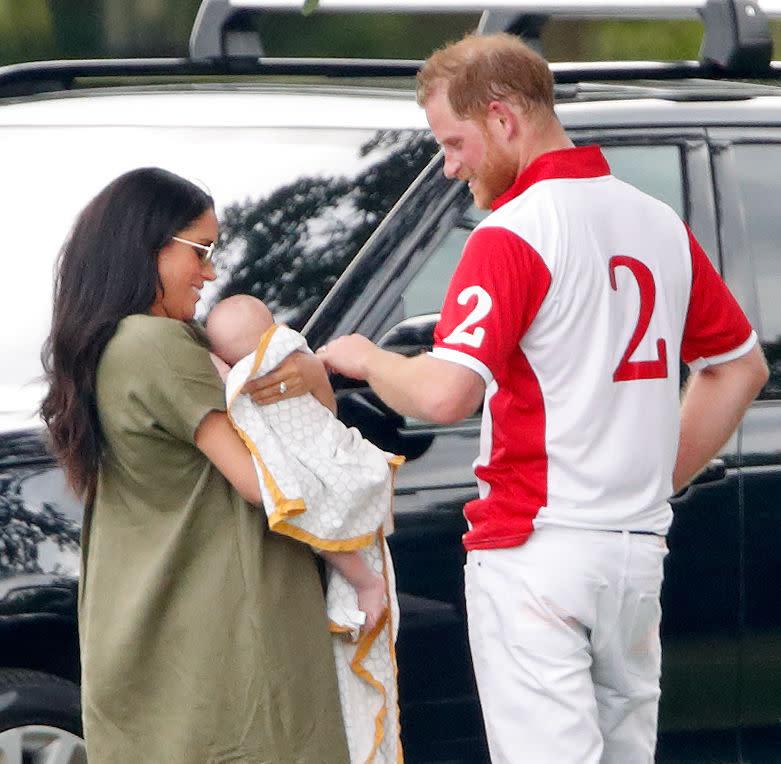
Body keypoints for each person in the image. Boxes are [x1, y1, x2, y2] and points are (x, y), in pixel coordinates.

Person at [317, 33, 770, 764]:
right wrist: (653, 479)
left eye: (453, 141)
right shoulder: (655, 221)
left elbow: (444, 394)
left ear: (502, 119)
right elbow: (737, 369)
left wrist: (368, 358)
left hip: (535, 553)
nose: (449, 164)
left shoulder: (512, 232)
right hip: (632, 554)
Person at [40, 167, 349, 763]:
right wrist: (310, 370)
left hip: (156, 644)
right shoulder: (157, 344)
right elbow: (269, 481)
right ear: (145, 244)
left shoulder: (106, 345)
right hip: (224, 650)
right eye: (200, 251)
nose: (210, 272)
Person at [205, 293, 403, 764]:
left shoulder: (253, 374)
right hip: (337, 469)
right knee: (327, 518)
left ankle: (365, 582)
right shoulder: (298, 356)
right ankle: (366, 582)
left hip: (324, 477)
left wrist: (220, 363)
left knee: (320, 518)